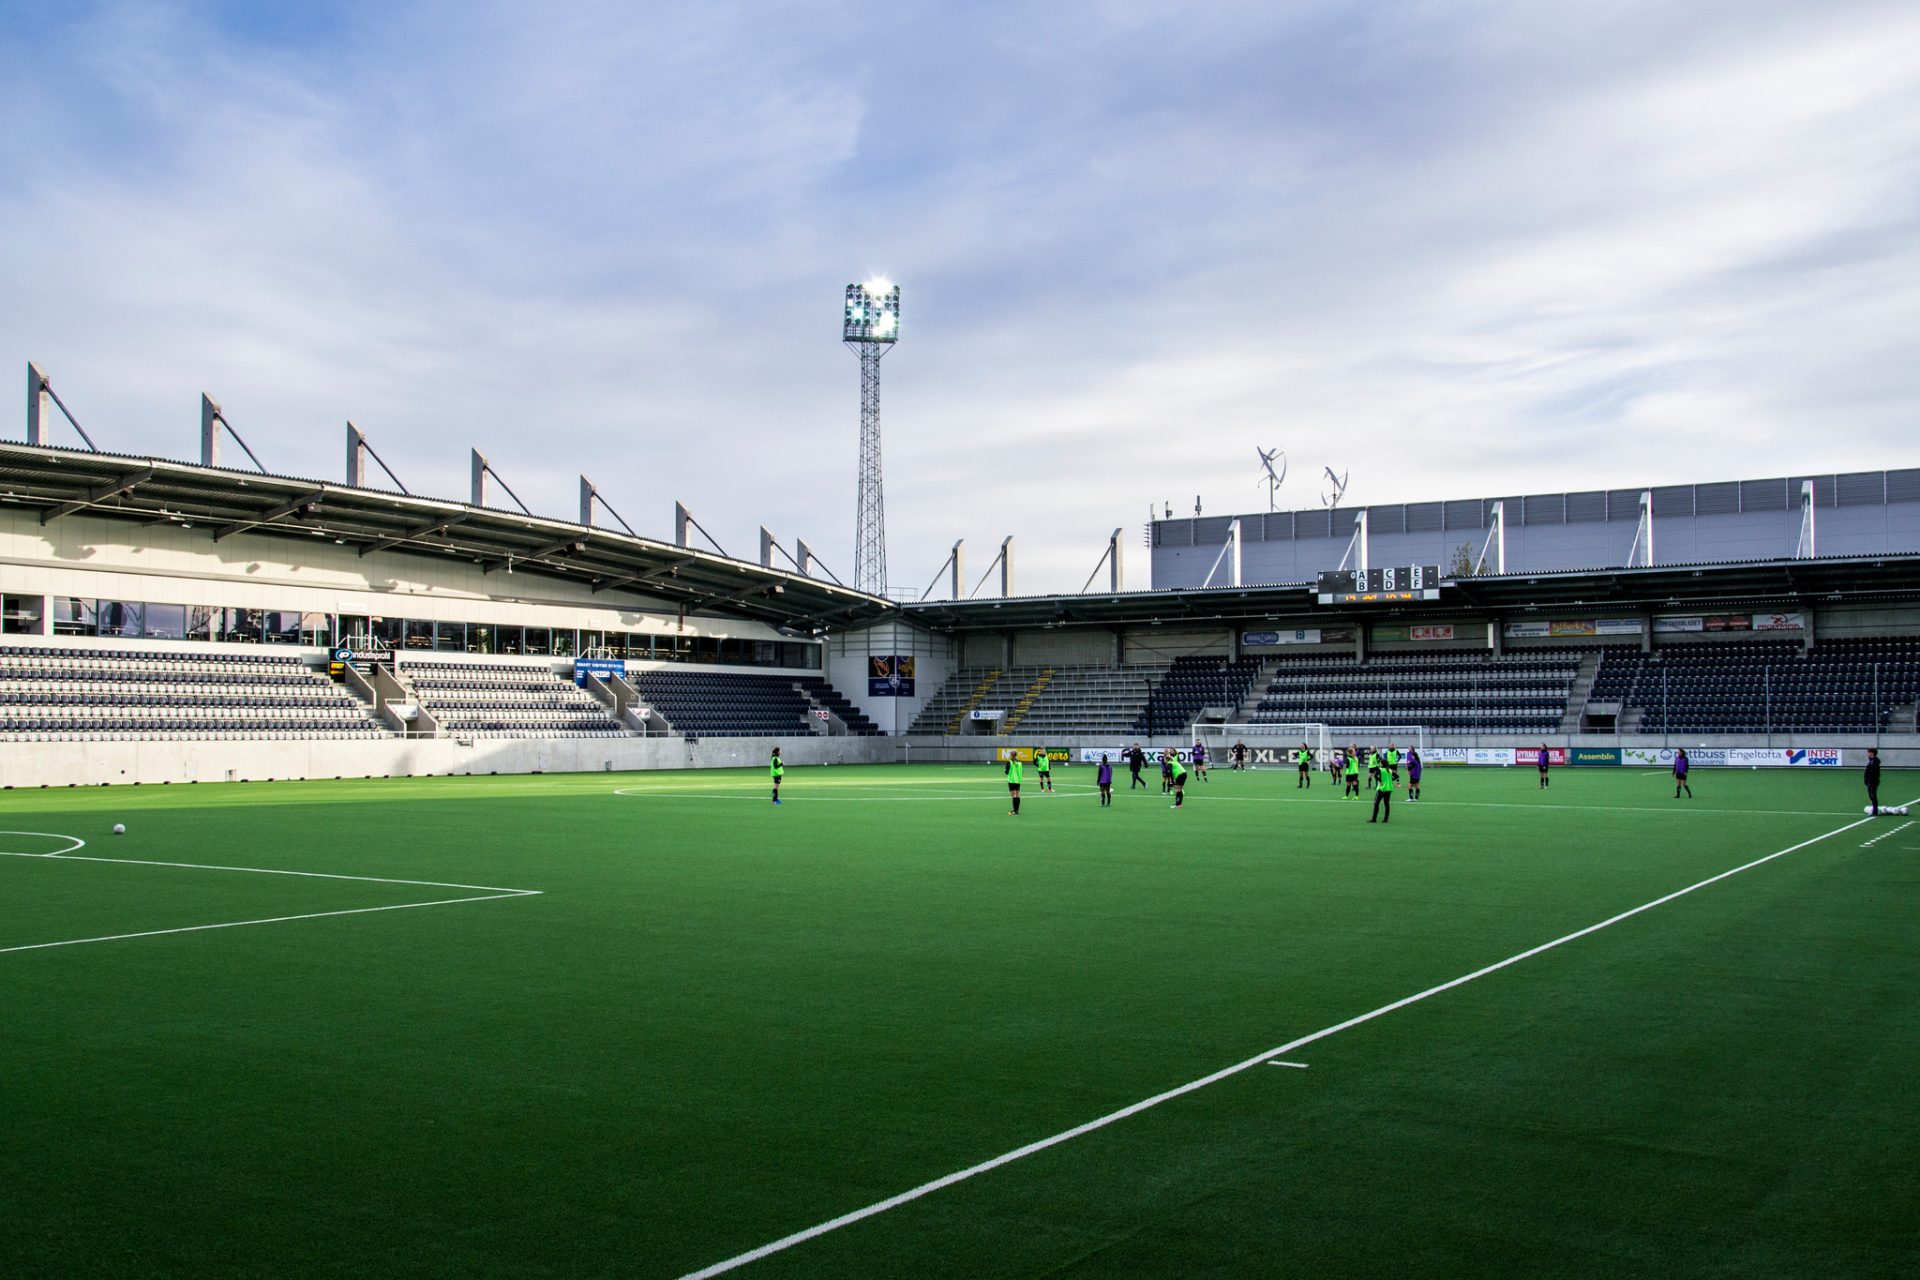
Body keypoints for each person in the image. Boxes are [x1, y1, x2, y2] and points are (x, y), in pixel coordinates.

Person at [1370, 754, 1396, 823]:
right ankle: (1385, 819)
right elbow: (1396, 776)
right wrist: (1391, 780)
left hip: (1381, 789)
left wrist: (1380, 780)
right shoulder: (1390, 770)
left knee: (1376, 803)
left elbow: (1375, 776)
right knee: (1386, 804)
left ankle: (1374, 819)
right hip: (1388, 789)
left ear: (1381, 764)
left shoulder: (1380, 769)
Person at [1864, 747, 1881, 815]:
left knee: (1873, 796)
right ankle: (1874, 810)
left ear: (1872, 753)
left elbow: (1873, 772)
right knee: (1871, 796)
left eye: (1868, 752)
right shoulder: (1871, 761)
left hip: (1873, 782)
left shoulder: (1875, 762)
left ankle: (1875, 811)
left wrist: (1870, 780)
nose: (1867, 754)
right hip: (1870, 782)